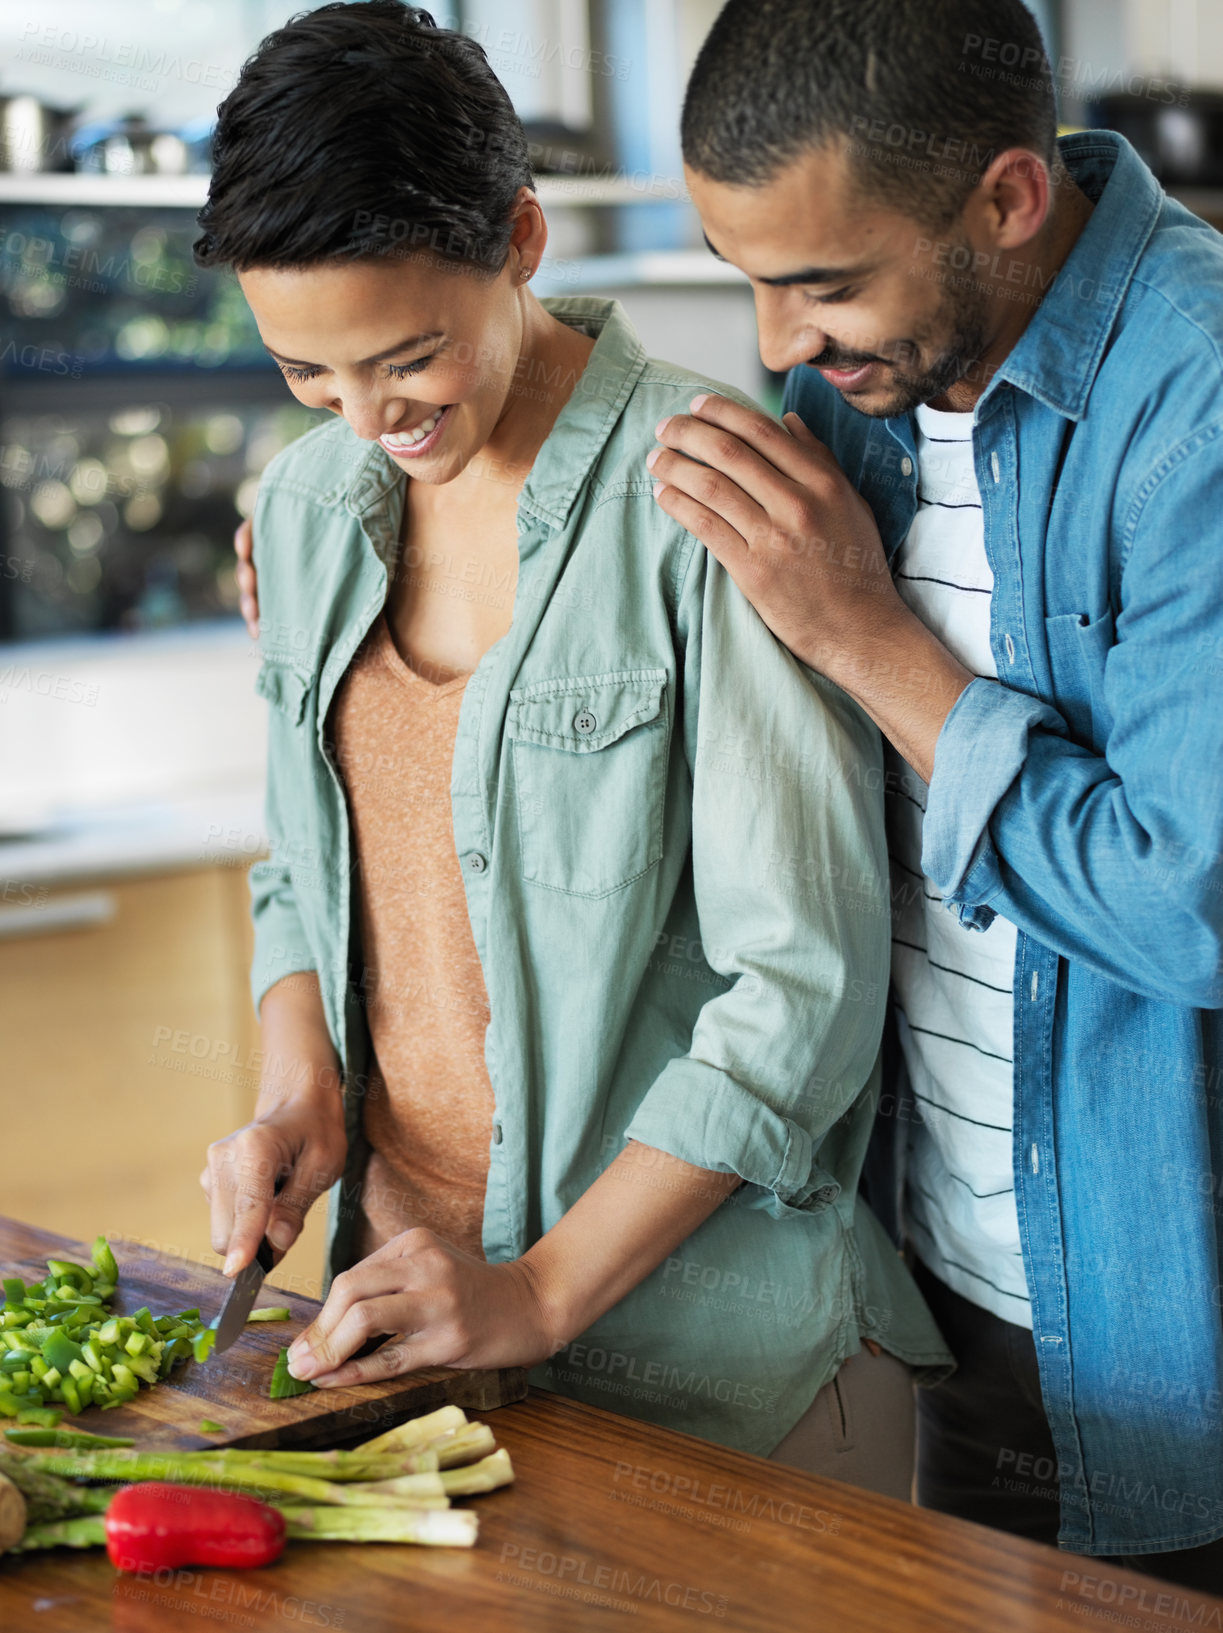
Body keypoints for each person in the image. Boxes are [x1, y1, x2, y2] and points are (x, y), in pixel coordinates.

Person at [199, 0, 950, 1493]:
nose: (364, 418)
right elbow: (307, 869)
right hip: (411, 1338)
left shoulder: (709, 488)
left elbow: (800, 990)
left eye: (406, 357)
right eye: (308, 376)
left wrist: (539, 1288)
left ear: (522, 239)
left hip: (726, 1367)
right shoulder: (300, 510)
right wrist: (303, 1094)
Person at [646, 0, 1223, 1590]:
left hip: (1173, 1326)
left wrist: (869, 643)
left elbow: (1192, 903)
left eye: (821, 284)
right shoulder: (869, 381)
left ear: (1009, 200)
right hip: (951, 1291)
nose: (777, 345)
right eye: (748, 278)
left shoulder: (1204, 407)